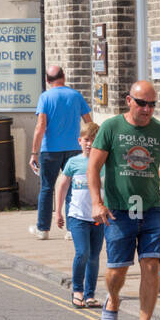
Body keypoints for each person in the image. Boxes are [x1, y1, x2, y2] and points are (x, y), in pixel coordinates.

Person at [88, 79, 160, 320]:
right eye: (142, 103)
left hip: (151, 210)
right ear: (129, 100)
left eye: (152, 104)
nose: (147, 109)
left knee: (151, 267)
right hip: (119, 211)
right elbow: (93, 167)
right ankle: (113, 299)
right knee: (117, 270)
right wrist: (96, 202)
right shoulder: (111, 128)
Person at [28, 65, 91, 240]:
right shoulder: (76, 96)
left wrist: (34, 152)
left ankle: (43, 229)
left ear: (47, 80)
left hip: (50, 150)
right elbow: (89, 123)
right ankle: (72, 230)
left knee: (47, 188)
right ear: (64, 76)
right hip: (74, 148)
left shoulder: (45, 97)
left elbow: (40, 127)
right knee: (72, 187)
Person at [55, 121, 104, 308]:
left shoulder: (103, 163)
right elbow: (62, 186)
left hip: (98, 217)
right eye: (86, 140)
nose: (90, 143)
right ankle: (77, 291)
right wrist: (58, 211)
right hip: (77, 216)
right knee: (82, 252)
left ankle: (90, 294)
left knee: (94, 256)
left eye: (94, 140)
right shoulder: (73, 162)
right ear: (79, 141)